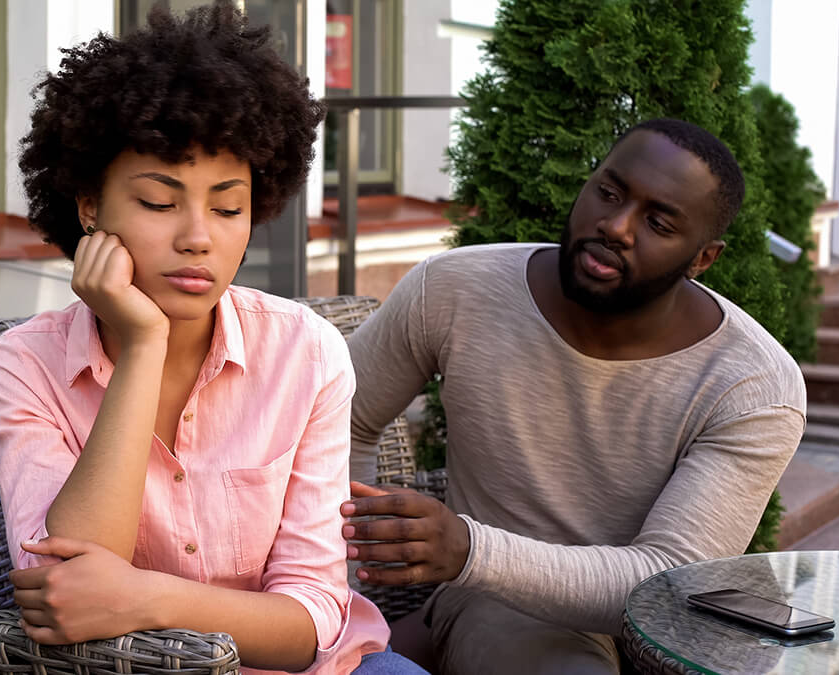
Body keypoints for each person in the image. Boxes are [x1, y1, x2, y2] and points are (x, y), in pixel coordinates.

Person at [0, 3, 425, 673]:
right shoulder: (27, 366)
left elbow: (312, 619)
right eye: (160, 202)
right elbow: (62, 591)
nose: (198, 236)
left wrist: (147, 597)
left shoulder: (306, 353)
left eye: (228, 206)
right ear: (90, 205)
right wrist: (142, 347)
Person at [341, 118, 807, 674]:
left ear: (703, 258)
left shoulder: (753, 386)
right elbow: (334, 418)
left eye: (658, 223)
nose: (616, 226)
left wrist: (468, 548)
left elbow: (667, 580)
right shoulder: (452, 290)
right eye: (608, 193)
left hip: (661, 630)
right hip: (500, 605)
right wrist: (346, 591)